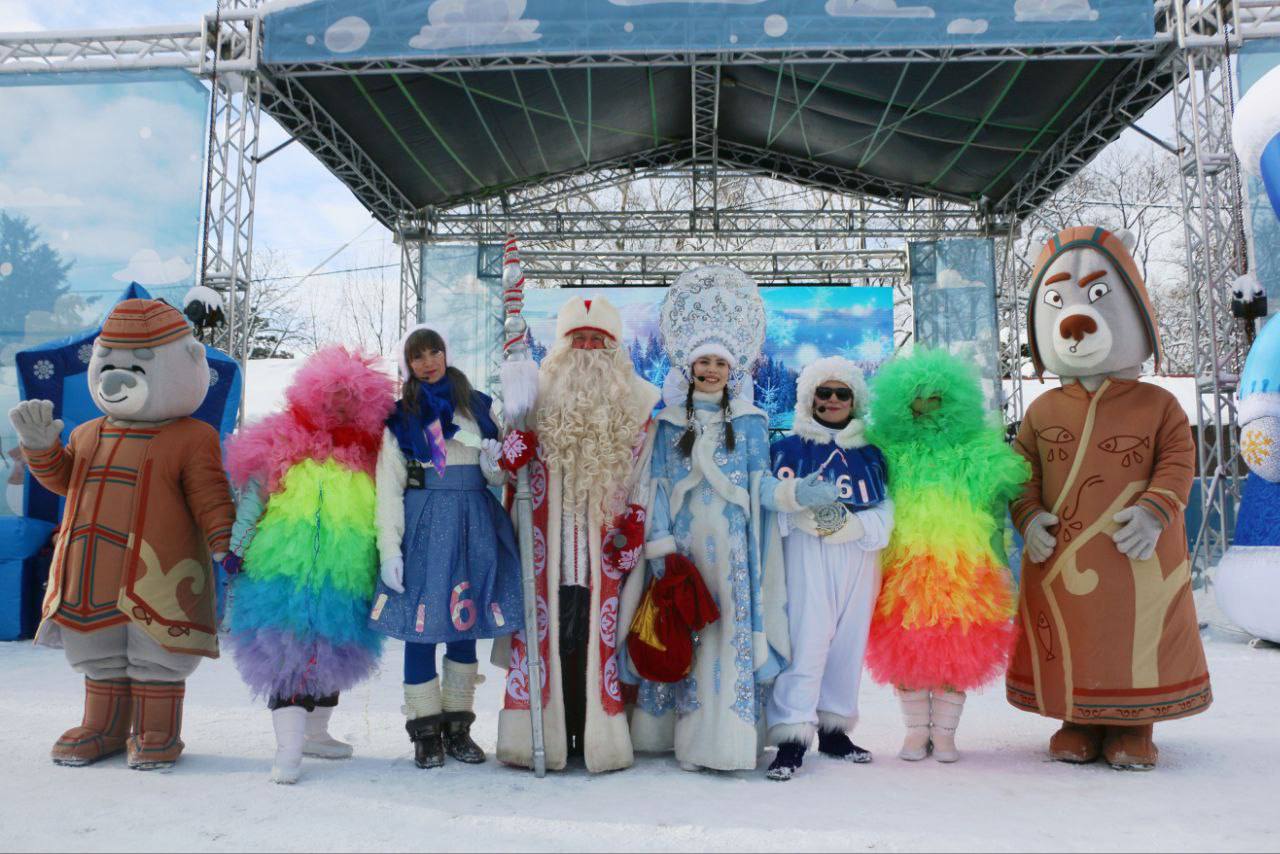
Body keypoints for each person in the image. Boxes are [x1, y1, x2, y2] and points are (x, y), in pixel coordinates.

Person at [1009, 226, 1210, 770]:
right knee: (1073, 637)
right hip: (1059, 556)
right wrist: (1027, 517)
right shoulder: (1042, 410)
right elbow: (1020, 471)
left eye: (1099, 297)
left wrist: (1154, 510)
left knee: (1133, 635)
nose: (1075, 322)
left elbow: (1177, 460)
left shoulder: (1158, 404)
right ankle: (1077, 718)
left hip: (1134, 552)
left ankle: (1134, 725)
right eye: (1058, 303)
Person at [620, 265, 835, 772]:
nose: (711, 370)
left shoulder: (753, 422)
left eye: (720, 362)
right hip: (684, 550)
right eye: (703, 363)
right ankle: (685, 740)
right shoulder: (669, 422)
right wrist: (661, 551)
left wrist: (794, 493)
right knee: (685, 636)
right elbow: (655, 490)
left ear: (732, 368)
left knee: (728, 639)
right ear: (690, 369)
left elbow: (759, 486)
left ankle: (728, 744)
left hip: (735, 553)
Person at [9, 299, 235, 770]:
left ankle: (157, 730)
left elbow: (209, 494)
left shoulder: (191, 437)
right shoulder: (88, 433)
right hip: (90, 569)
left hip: (158, 571)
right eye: (108, 362)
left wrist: (223, 542)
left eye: (136, 366)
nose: (116, 377)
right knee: (99, 650)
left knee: (156, 654)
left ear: (189, 364)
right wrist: (40, 448)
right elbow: (63, 479)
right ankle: (104, 726)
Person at [494, 295, 661, 773]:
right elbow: (508, 473)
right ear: (563, 346)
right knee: (553, 643)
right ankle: (545, 737)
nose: (588, 348)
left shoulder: (641, 403)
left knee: (597, 645)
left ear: (613, 348)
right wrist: (512, 455)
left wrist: (635, 521)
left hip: (603, 553)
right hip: (547, 552)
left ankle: (595, 737)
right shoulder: (531, 400)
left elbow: (648, 474)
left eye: (598, 340)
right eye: (579, 339)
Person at [223, 346, 395, 783]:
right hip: (281, 568)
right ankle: (288, 749)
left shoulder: (375, 454)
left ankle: (316, 733)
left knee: (335, 648)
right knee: (286, 650)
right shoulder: (281, 438)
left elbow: (388, 511)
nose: (340, 405)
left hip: (346, 571)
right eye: (332, 394)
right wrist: (237, 547)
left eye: (351, 398)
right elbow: (253, 498)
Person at [368, 325, 522, 770]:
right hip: (424, 523)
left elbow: (497, 477)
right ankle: (425, 732)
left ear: (445, 353)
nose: (428, 361)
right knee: (423, 628)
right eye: (418, 356)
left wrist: (497, 464)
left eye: (434, 351)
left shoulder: (477, 407)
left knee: (463, 623)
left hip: (474, 522)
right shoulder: (402, 418)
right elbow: (388, 489)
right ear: (408, 365)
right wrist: (390, 549)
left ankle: (458, 727)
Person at [864, 348, 1028, 764]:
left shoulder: (980, 452)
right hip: (903, 565)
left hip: (965, 566)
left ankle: (946, 734)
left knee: (957, 649)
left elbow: (994, 515)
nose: (925, 411)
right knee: (905, 648)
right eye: (915, 404)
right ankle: (916, 732)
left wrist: (998, 562)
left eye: (935, 402)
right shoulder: (884, 450)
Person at [763, 357, 894, 781]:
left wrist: (860, 525)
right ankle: (792, 737)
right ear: (810, 398)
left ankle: (835, 730)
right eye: (825, 392)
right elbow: (768, 501)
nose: (833, 400)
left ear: (855, 400)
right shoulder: (787, 448)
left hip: (856, 553)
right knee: (807, 639)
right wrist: (795, 512)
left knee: (848, 642)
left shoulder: (872, 452)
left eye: (843, 393)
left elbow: (888, 507)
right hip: (806, 551)